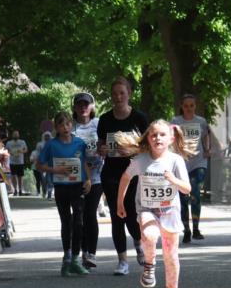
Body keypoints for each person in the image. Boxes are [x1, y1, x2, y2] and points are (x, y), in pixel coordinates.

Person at [115, 121, 193, 288]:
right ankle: (149, 265)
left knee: (171, 255)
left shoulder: (176, 161)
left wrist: (174, 179)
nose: (157, 138)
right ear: (148, 139)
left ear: (171, 139)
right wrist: (120, 202)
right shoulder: (140, 160)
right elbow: (125, 177)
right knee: (149, 236)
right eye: (153, 135)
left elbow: (187, 189)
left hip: (169, 212)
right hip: (147, 209)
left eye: (162, 135)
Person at [97, 76, 148, 276]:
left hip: (133, 172)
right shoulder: (105, 119)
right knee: (116, 216)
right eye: (115, 94)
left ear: (129, 94)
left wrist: (132, 150)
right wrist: (102, 149)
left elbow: (147, 145)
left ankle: (138, 241)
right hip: (111, 172)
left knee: (131, 214)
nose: (118, 97)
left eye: (122, 93)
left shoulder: (139, 118)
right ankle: (122, 261)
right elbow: (101, 144)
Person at [37, 112, 91, 276]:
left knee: (79, 222)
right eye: (61, 125)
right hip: (61, 187)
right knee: (66, 222)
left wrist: (88, 180)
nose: (65, 128)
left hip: (77, 187)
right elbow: (39, 165)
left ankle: (75, 258)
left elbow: (85, 163)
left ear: (71, 125)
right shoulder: (52, 145)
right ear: (56, 128)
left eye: (68, 124)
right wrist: (55, 170)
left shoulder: (80, 143)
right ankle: (67, 258)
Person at [171, 94, 211, 242]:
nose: (189, 108)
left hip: (199, 162)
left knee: (195, 192)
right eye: (186, 106)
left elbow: (206, 136)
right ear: (182, 106)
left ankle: (196, 228)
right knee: (183, 198)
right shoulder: (176, 121)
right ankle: (186, 229)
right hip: (181, 164)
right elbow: (170, 137)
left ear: (195, 106)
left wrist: (207, 149)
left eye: (191, 106)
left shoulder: (201, 121)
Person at [71, 92, 104, 268]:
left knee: (90, 213)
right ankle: (80, 252)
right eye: (79, 104)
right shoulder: (71, 127)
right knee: (79, 216)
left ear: (91, 107)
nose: (83, 107)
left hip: (97, 176)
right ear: (74, 107)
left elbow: (108, 144)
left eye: (86, 104)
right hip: (76, 178)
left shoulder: (99, 124)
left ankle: (91, 252)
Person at [5, 130, 28, 195]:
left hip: (20, 162)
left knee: (20, 177)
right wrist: (10, 152)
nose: (15, 135)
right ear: (12, 135)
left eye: (17, 134)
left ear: (18, 135)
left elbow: (26, 149)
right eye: (14, 134)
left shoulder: (22, 142)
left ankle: (20, 190)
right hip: (12, 162)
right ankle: (15, 189)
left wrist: (21, 151)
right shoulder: (9, 143)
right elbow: (6, 150)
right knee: (13, 176)